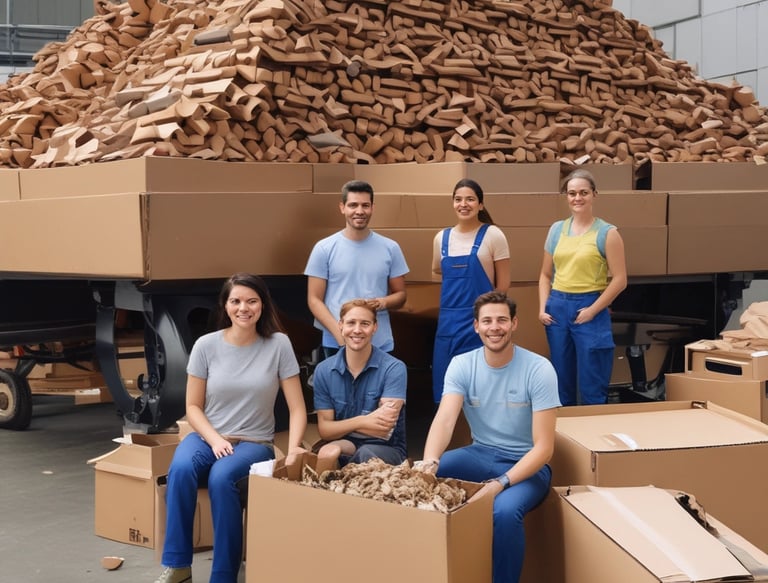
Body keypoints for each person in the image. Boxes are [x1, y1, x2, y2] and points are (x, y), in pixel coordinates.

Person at [155, 273, 307, 583]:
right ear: (225, 305)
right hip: (207, 436)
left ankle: (223, 576)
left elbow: (297, 408)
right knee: (180, 470)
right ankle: (178, 566)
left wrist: (293, 449)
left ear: (263, 305)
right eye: (235, 301)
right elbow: (192, 407)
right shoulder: (206, 345)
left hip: (254, 442)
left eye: (252, 301)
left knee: (222, 477)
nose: (243, 308)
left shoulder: (279, 344)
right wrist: (214, 440)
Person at [420, 291, 560, 583]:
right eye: (487, 321)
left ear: (514, 323)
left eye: (501, 320)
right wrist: (429, 462)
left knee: (504, 511)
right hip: (480, 453)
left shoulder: (539, 369)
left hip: (527, 465)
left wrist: (501, 483)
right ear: (476, 326)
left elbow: (544, 448)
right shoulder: (461, 365)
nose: (494, 327)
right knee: (422, 480)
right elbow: (445, 420)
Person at [538, 169, 627, 406]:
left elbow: (620, 280)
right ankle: (563, 428)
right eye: (572, 193)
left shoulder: (607, 233)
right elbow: (545, 274)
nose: (577, 198)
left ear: (594, 194)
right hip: (557, 308)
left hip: (589, 306)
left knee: (592, 381)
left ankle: (592, 428)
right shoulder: (556, 230)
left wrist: (592, 311)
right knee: (560, 379)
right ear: (566, 196)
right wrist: (542, 308)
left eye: (583, 193)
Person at [305, 180, 409, 358]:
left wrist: (382, 302)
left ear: (372, 208)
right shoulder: (324, 249)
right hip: (336, 343)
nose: (359, 211)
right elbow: (314, 300)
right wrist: (340, 336)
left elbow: (401, 295)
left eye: (365, 205)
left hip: (378, 342)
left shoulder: (391, 248)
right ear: (342, 207)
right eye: (353, 205)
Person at [431, 178, 510, 403]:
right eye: (458, 199)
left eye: (470, 199)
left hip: (481, 324)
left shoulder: (493, 235)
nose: (463, 204)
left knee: (482, 389)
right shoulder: (441, 238)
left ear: (480, 205)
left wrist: (490, 321)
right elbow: (436, 271)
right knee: (447, 389)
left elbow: (503, 285)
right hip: (448, 325)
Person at [312, 299, 408, 474]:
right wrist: (362, 421)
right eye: (351, 323)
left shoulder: (394, 368)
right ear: (340, 325)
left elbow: (383, 429)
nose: (357, 330)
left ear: (374, 327)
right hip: (346, 444)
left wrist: (339, 428)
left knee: (365, 454)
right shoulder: (324, 370)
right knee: (325, 453)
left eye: (365, 323)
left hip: (387, 449)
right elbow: (325, 430)